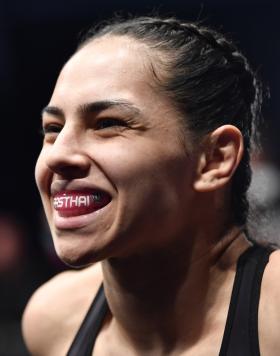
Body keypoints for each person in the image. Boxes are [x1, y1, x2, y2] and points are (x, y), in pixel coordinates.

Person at [22, 15, 280, 355]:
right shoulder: (53, 319)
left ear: (214, 159)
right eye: (53, 129)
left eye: (108, 123)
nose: (58, 156)